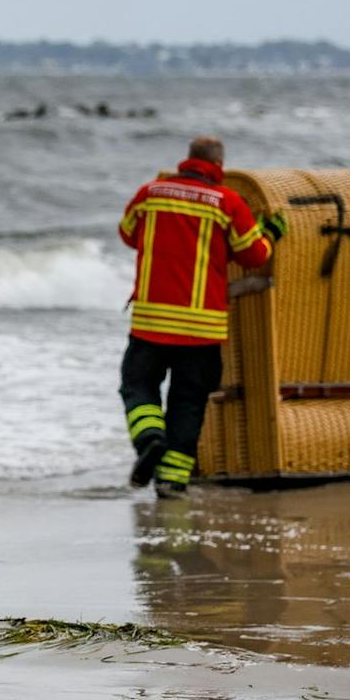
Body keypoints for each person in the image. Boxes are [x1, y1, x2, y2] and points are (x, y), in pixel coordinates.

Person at [117, 136, 284, 497]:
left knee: (138, 386)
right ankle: (173, 480)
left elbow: (128, 234)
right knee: (188, 402)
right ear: (219, 168)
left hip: (151, 322)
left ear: (186, 161)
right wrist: (271, 233)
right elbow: (254, 255)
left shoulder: (151, 193)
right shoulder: (227, 203)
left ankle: (149, 439)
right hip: (202, 328)